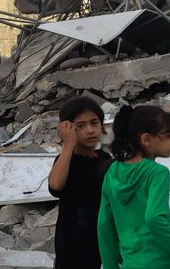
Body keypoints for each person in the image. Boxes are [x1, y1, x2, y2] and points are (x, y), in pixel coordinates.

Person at [97, 105, 170, 268]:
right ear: (146, 139)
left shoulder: (112, 172)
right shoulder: (157, 173)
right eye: (168, 135)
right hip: (163, 263)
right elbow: (154, 217)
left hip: (132, 263)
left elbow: (104, 225)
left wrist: (110, 265)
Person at [48, 97, 112, 269]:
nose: (90, 130)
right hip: (74, 245)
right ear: (68, 129)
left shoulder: (106, 160)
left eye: (94, 123)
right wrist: (68, 145)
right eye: (81, 126)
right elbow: (55, 185)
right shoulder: (67, 161)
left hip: (103, 239)